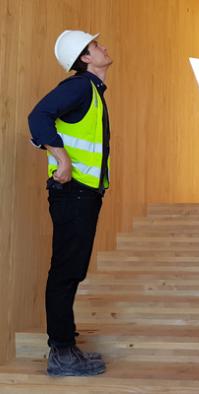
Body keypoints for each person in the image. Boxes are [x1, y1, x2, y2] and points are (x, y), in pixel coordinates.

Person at [28, 30, 112, 377]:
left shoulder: (91, 91)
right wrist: (61, 159)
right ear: (86, 58)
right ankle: (61, 352)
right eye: (95, 46)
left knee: (71, 271)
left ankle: (66, 347)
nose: (102, 46)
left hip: (82, 194)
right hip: (73, 193)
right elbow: (38, 118)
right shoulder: (79, 86)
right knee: (65, 272)